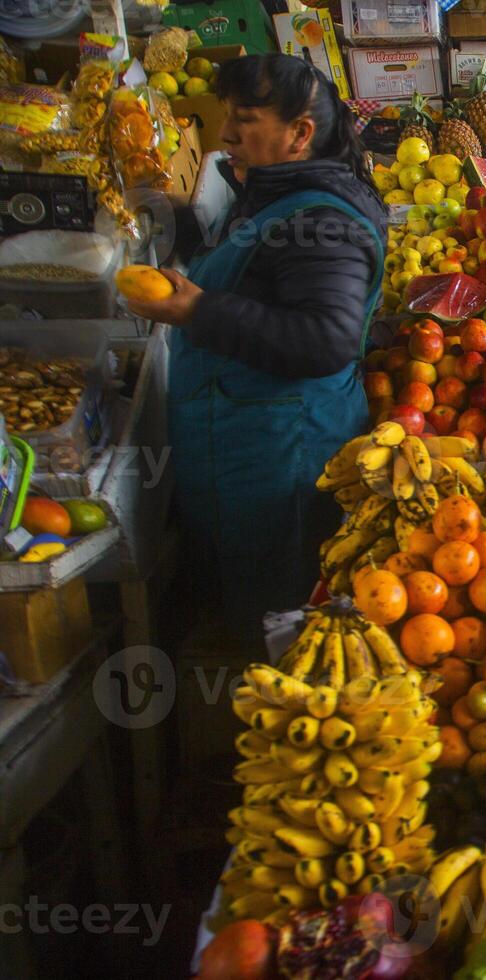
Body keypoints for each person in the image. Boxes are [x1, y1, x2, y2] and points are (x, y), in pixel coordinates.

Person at [127, 54, 387, 628]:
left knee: (274, 614)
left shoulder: (325, 223)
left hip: (278, 455)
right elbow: (253, 268)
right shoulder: (280, 190)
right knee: (245, 594)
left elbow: (328, 339)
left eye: (243, 120)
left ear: (300, 134)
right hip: (246, 443)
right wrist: (169, 215)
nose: (224, 135)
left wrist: (198, 309)